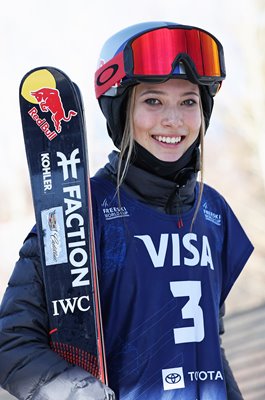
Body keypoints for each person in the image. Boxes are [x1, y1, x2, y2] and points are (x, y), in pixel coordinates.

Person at [0, 21, 254, 400]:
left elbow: (209, 348)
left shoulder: (213, 213)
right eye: (152, 101)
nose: (173, 119)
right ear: (122, 113)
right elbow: (11, 343)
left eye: (189, 101)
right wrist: (79, 393)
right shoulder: (79, 213)